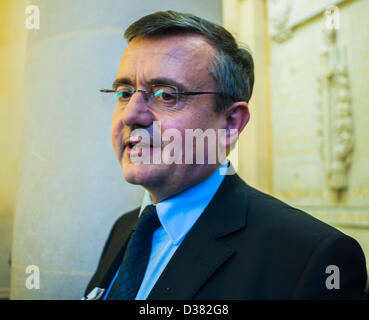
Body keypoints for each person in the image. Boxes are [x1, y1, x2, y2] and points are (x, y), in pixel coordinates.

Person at [84, 10, 367, 300]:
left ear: (230, 123)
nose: (131, 114)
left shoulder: (312, 258)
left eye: (166, 94)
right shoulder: (126, 228)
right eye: (124, 93)